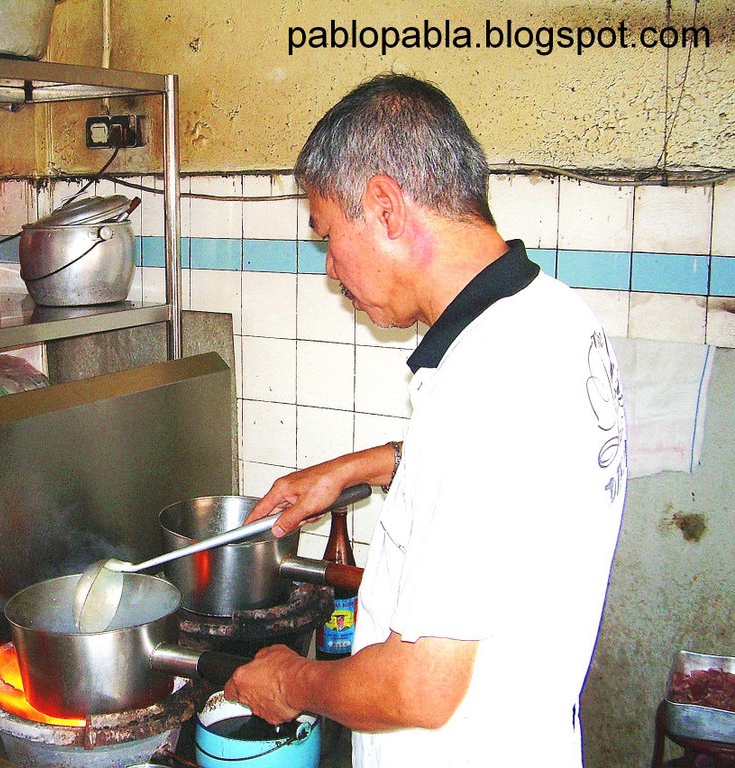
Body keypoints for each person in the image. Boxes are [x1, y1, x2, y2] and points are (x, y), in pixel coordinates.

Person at [223, 73, 628, 768]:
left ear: (384, 207)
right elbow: (511, 475)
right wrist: (357, 468)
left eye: (328, 235)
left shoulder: (485, 381)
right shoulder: (553, 315)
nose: (331, 270)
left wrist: (289, 681)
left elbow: (418, 689)